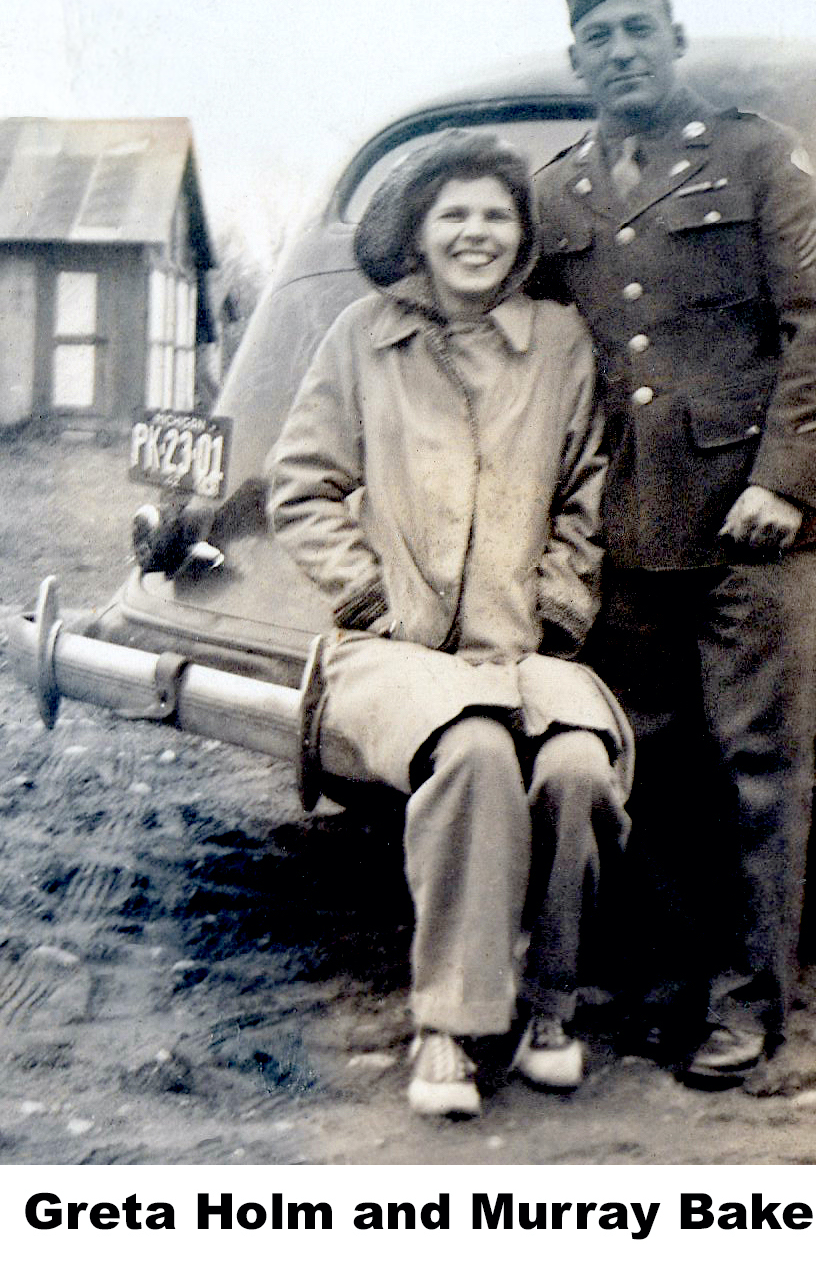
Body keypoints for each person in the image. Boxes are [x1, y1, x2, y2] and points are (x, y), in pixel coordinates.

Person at [530, 0, 816, 1084]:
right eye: (599, 40)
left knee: (756, 763)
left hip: (750, 522)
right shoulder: (558, 189)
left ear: (674, 39)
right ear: (577, 61)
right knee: (652, 760)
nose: (621, 52)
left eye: (638, 30)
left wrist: (785, 479)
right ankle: (665, 983)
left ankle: (747, 1000)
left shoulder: (755, 154)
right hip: (627, 524)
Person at [268, 129, 633, 1118]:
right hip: (394, 651)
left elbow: (588, 495)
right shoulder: (361, 336)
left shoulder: (559, 342)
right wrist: (367, 598)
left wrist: (558, 606)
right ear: (419, 234)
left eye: (496, 216)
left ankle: (551, 1005)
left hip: (522, 646)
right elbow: (300, 486)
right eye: (454, 215)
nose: (475, 233)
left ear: (520, 237)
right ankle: (451, 1022)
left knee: (578, 768)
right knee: (472, 750)